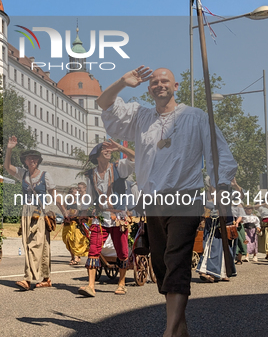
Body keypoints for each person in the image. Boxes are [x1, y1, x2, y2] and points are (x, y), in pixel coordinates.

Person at [97, 66, 237, 337]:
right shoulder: (140, 116)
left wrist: (221, 185)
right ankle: (180, 330)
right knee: (161, 265)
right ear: (149, 89)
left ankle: (168, 331)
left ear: (175, 87)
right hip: (153, 202)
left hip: (186, 198)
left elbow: (219, 154)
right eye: (154, 82)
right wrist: (122, 83)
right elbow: (104, 104)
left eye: (165, 81)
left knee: (176, 260)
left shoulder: (196, 117)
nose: (159, 85)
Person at [78, 139, 135, 297]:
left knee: (122, 251)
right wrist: (82, 213)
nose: (109, 150)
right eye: (104, 149)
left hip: (118, 217)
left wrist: (120, 147)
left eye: (110, 149)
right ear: (97, 155)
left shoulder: (119, 167)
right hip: (100, 217)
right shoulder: (91, 174)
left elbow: (135, 158)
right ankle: (91, 286)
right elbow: (88, 197)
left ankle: (122, 284)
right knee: (93, 250)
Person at [5, 136, 62, 291]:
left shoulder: (45, 175)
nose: (33, 160)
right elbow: (7, 166)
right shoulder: (23, 174)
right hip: (26, 212)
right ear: (25, 161)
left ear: (38, 161)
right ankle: (46, 278)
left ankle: (28, 279)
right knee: (39, 245)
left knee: (34, 245)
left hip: (40, 212)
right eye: (30, 158)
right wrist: (9, 149)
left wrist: (64, 211)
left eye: (35, 158)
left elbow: (54, 195)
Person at [197, 177, 239, 282]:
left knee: (225, 248)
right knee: (211, 247)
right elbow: (204, 203)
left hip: (226, 222)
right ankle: (208, 271)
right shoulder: (206, 195)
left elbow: (240, 196)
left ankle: (223, 272)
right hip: (213, 224)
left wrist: (235, 185)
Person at [62, 185, 88, 266]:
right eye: (74, 192)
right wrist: (66, 213)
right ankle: (73, 256)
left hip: (75, 222)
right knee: (67, 239)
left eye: (76, 193)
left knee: (75, 240)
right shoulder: (66, 201)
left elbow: (80, 211)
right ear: (70, 193)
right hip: (68, 222)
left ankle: (76, 257)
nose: (76, 194)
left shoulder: (78, 201)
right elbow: (64, 210)